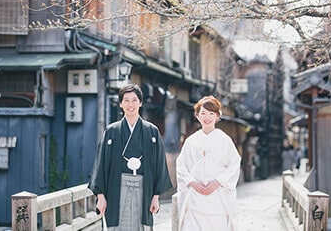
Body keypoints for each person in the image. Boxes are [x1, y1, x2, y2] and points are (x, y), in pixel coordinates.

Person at [88, 84, 173, 230]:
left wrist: (156, 196)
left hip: (144, 188)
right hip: (116, 187)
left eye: (134, 100)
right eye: (126, 100)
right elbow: (101, 164)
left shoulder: (152, 131)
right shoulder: (112, 131)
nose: (130, 104)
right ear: (120, 104)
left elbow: (159, 165)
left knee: (141, 226)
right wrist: (100, 196)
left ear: (140, 103)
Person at [176, 95, 241, 231]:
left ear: (217, 116)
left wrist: (217, 182)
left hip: (218, 198)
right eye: (203, 113)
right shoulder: (191, 141)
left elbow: (234, 165)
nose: (207, 117)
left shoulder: (225, 140)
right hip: (194, 198)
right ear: (197, 115)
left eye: (211, 113)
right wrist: (192, 182)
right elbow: (181, 165)